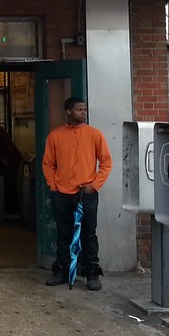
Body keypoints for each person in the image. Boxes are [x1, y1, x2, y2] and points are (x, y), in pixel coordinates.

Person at [41, 97, 112, 290]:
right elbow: (48, 163)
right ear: (68, 112)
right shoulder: (55, 136)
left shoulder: (94, 134)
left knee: (89, 234)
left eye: (84, 109)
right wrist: (53, 185)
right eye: (79, 109)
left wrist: (94, 185)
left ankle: (92, 273)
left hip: (86, 193)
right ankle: (62, 271)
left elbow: (106, 162)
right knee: (63, 234)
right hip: (62, 193)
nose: (83, 112)